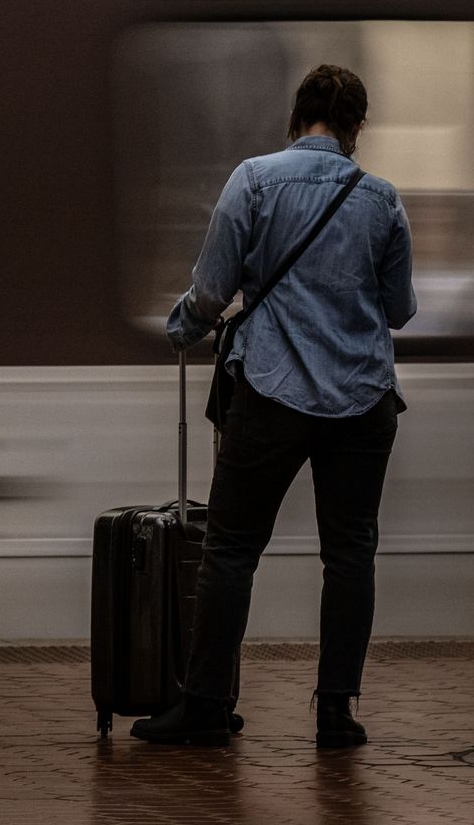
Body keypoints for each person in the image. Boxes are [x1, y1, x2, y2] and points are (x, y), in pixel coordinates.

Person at [133, 65, 415, 748]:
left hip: (271, 393)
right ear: (356, 128)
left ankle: (205, 706)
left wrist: (181, 329)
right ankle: (336, 711)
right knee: (350, 555)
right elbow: (400, 310)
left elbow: (211, 291)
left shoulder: (253, 179)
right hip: (360, 398)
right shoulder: (381, 200)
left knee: (230, 551)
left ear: (298, 118)